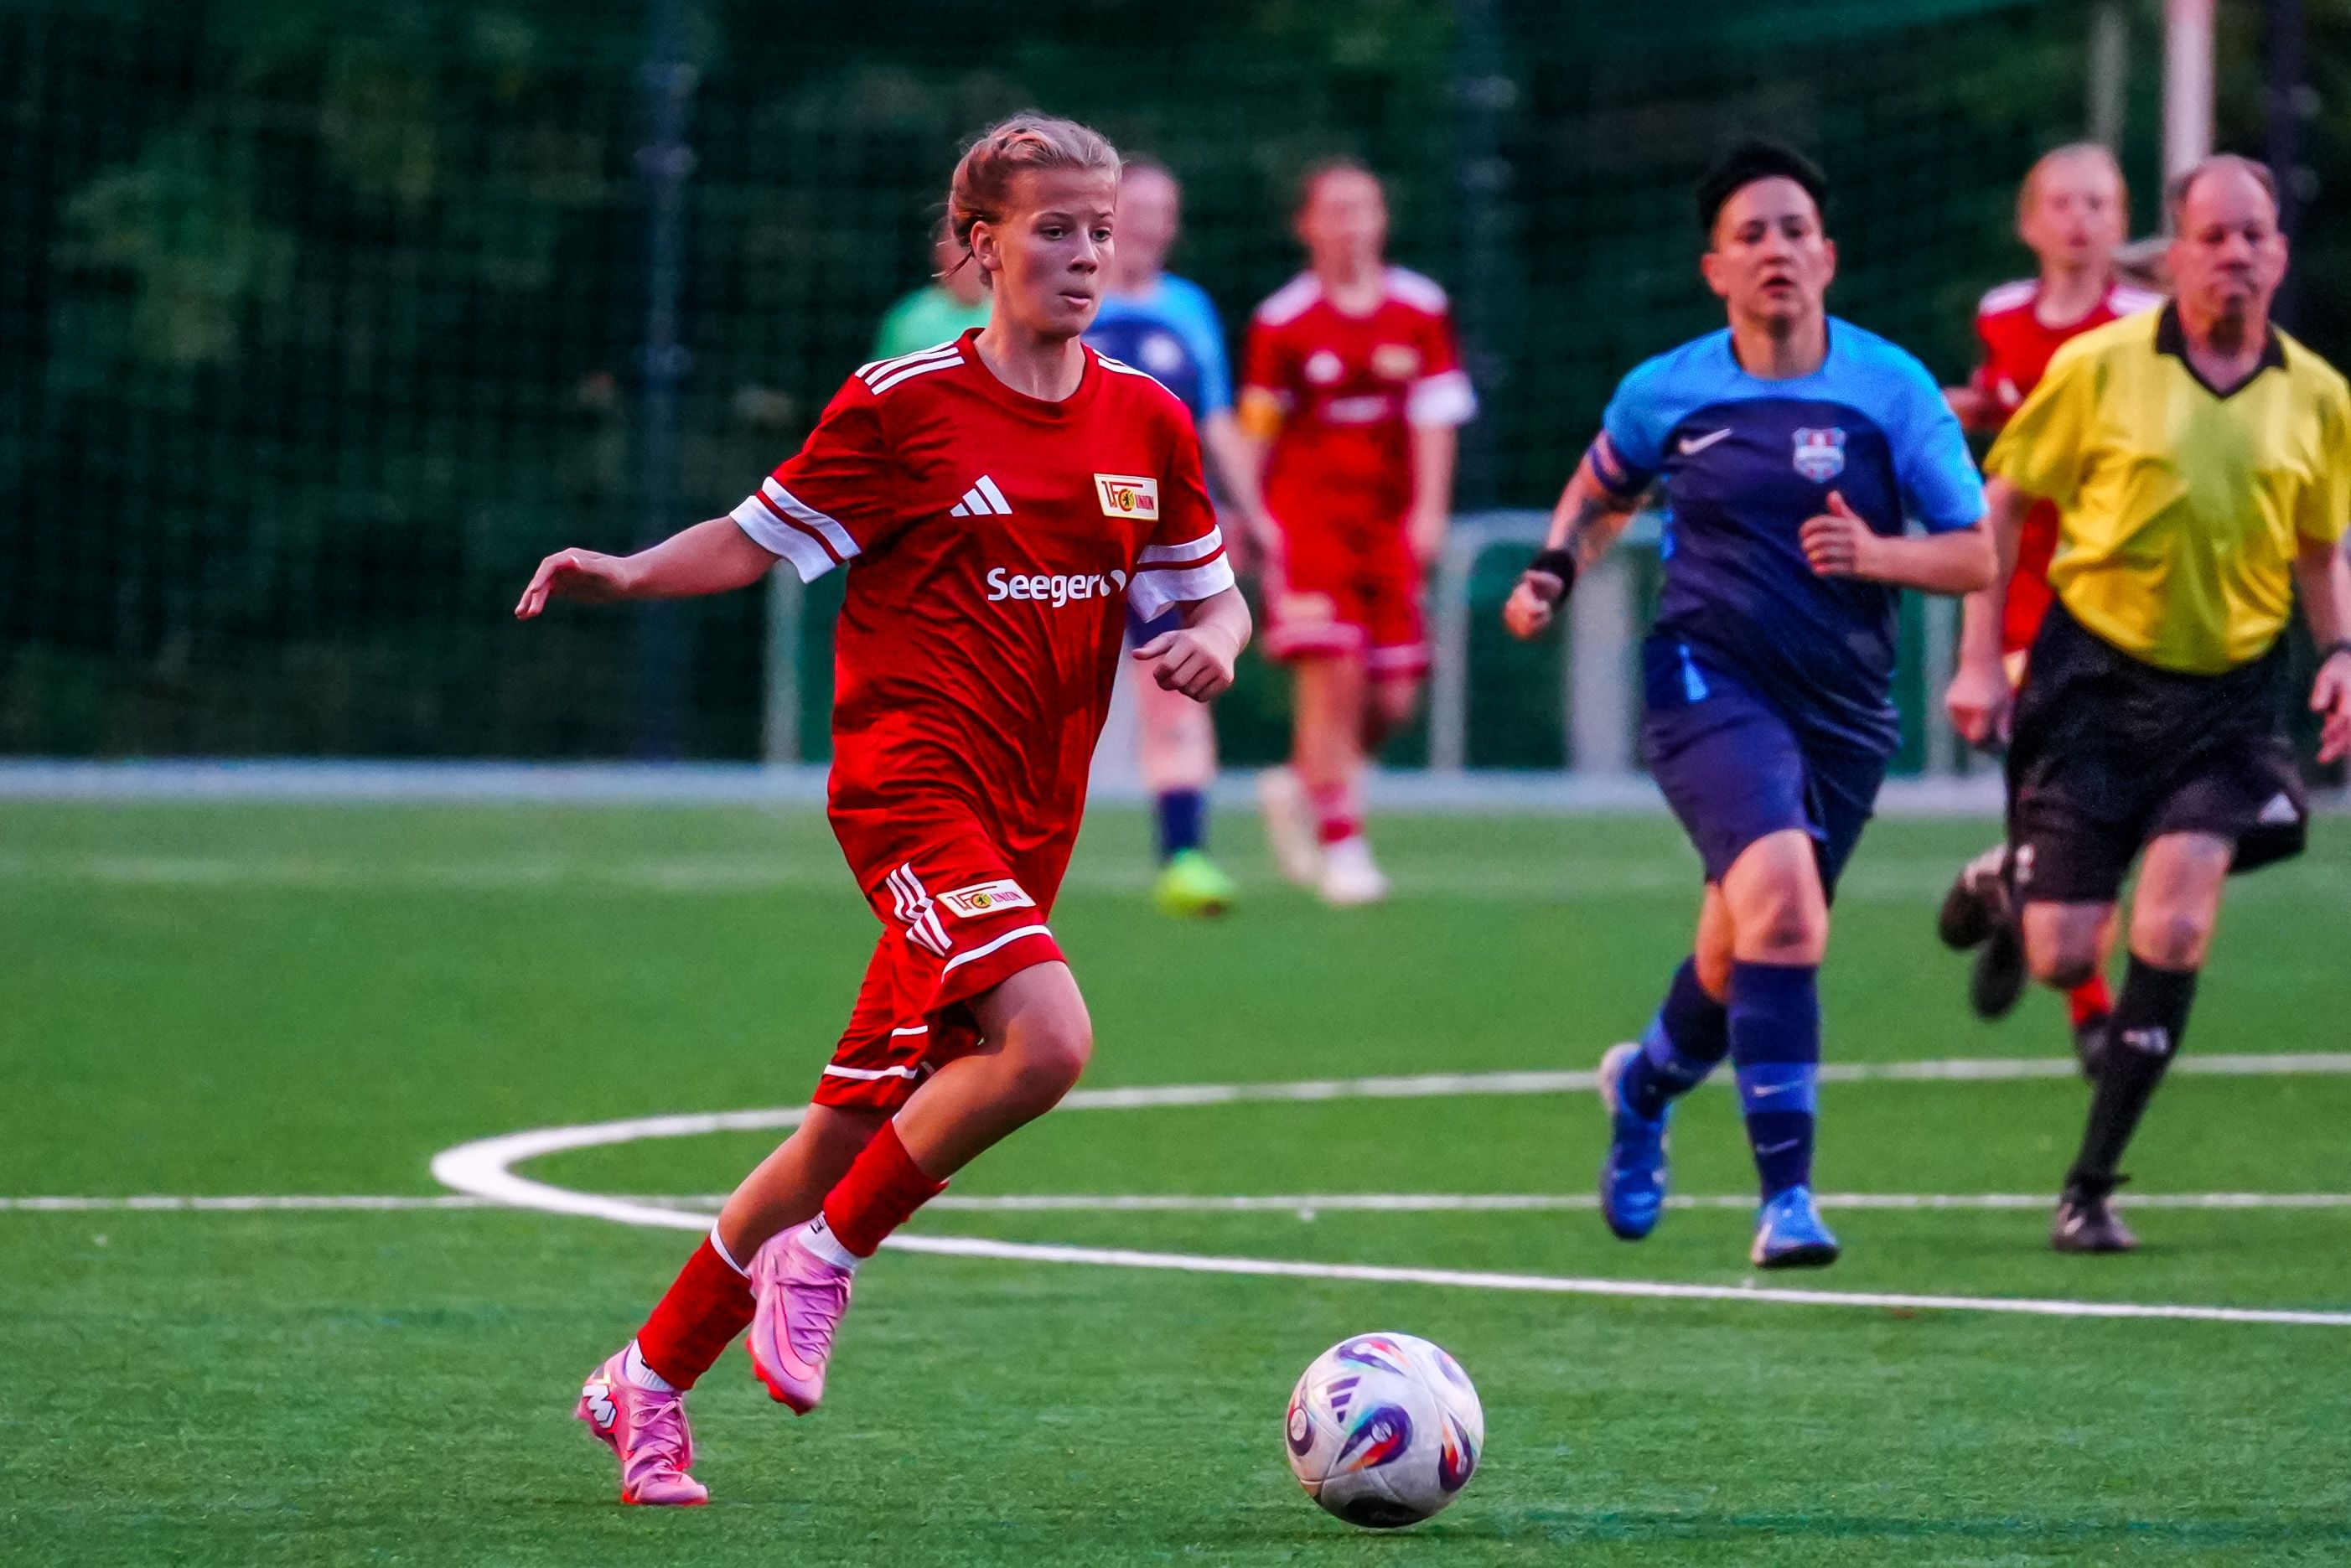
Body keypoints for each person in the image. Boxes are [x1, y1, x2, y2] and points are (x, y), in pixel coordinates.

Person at [516, 114, 1250, 1504]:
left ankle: (645, 1379)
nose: (1085, 255)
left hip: (1029, 826)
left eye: (1100, 231)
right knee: (1047, 1041)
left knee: (847, 1131)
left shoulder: (1145, 419)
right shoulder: (903, 404)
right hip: (908, 793)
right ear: (982, 243)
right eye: (1054, 228)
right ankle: (825, 1258)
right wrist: (627, 571)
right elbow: (749, 540)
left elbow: (1211, 593)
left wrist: (1220, 639)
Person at [1503, 142, 1992, 1268]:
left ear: (1828, 255)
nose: (1776, 248)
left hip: (1844, 712)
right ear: (1714, 268)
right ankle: (1788, 1202)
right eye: (1751, 234)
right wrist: (1552, 570)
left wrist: (1878, 554)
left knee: (1741, 948)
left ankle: (1644, 1084)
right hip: (1705, 681)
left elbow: (1974, 553)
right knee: (1784, 906)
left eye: (1794, 229)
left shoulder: (1892, 388)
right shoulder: (1666, 389)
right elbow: (1602, 487)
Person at [1956, 155, 2351, 1253]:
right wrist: (1980, 658)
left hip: (2229, 697)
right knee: (2063, 954)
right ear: (2174, 255)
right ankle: (2009, 881)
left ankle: (2088, 1187)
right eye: (2212, 235)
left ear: (2279, 252)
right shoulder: (2097, 366)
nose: (2234, 253)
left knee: (2175, 922)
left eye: (2253, 234)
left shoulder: (2320, 395)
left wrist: (2341, 651)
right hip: (2092, 682)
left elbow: (2319, 547)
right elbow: (2001, 500)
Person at [1936, 144, 2165, 1037]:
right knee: (2067, 783)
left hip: (2118, 584)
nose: (2079, 219)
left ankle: (2009, 886)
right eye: (2062, 203)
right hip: (2024, 583)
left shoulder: (2146, 321)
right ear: (2029, 223)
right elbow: (2006, 409)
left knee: (2101, 796)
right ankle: (2090, 1010)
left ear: (2121, 220)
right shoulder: (2002, 314)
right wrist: (1951, 408)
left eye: (2098, 204)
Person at [1235, 159, 1475, 906]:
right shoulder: (1282, 320)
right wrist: (1245, 517)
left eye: (1362, 208)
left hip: (1388, 528)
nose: (1350, 225)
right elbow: (1257, 429)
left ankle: (1303, 782)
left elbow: (1435, 417)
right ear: (1306, 225)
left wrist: (1429, 511)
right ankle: (1344, 847)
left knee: (1393, 698)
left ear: (1382, 219)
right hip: (1308, 526)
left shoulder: (1419, 309)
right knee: (1333, 679)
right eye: (1334, 210)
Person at [1083, 158, 1258, 917]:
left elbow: (1214, 417)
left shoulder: (1188, 308)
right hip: (1068, 532)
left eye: (1164, 210)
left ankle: (1184, 854)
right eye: (1138, 207)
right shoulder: (1067, 294)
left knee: (1175, 682)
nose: (1150, 224)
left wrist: (1251, 510)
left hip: (1160, 535)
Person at [871, 216, 993, 360]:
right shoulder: (910, 318)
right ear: (941, 256)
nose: (971, 262)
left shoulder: (1007, 315)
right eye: (962, 249)